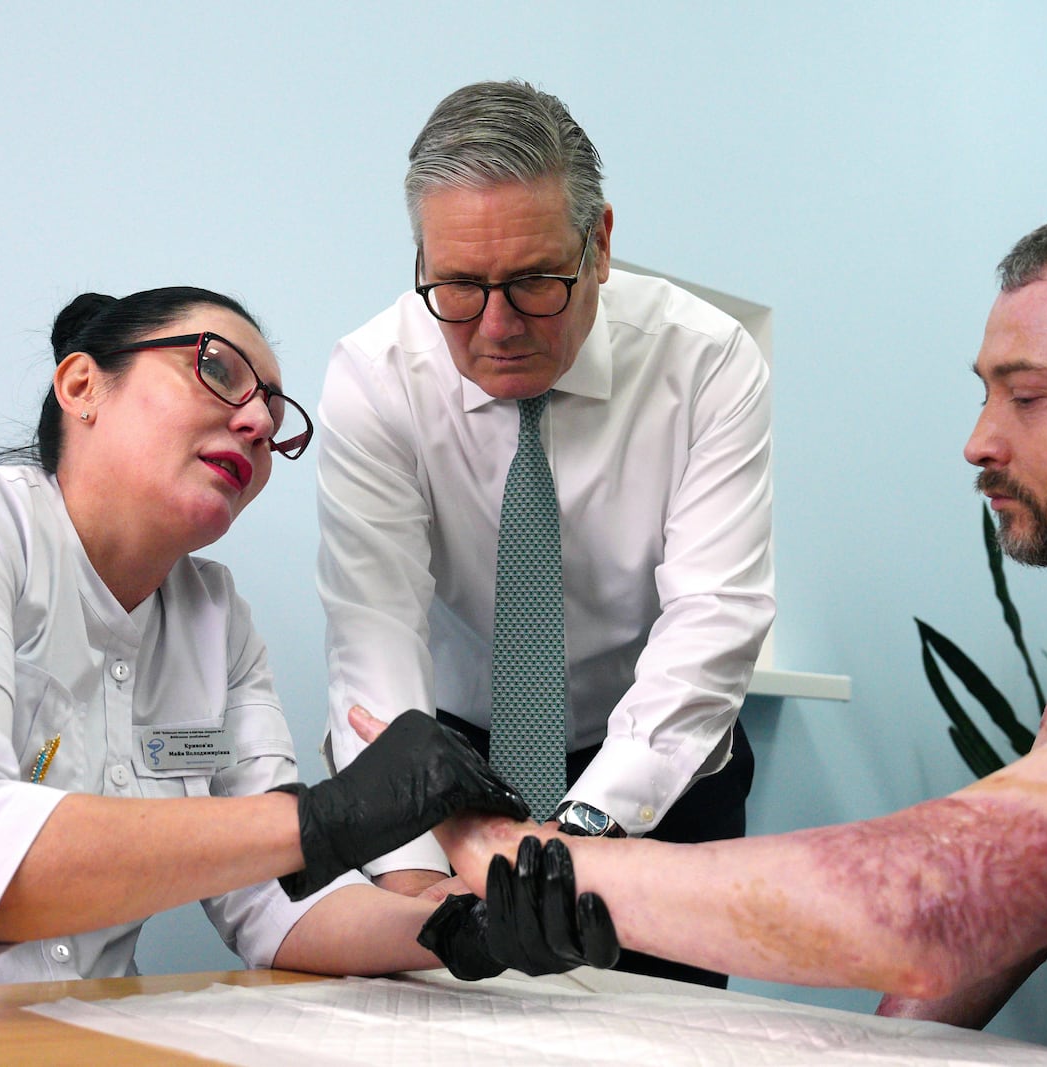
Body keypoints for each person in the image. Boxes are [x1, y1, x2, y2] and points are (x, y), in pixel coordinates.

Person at [366, 199, 1047, 1065]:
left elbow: (942, 899)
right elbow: (1016, 911)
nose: (979, 442)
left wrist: (509, 853)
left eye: (1029, 398)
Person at [0, 285, 581, 986]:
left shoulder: (214, 620)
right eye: (221, 372)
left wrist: (459, 930)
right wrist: (327, 816)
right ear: (82, 385)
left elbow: (276, 903)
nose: (258, 423)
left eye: (276, 415)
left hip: (63, 1039)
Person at [315, 79, 774, 986]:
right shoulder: (375, 375)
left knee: (662, 1044)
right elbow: (373, 638)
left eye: (533, 283)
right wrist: (414, 885)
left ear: (599, 244)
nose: (496, 328)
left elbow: (713, 620)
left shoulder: (709, 360)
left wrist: (580, 837)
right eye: (456, 286)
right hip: (449, 764)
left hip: (657, 766)